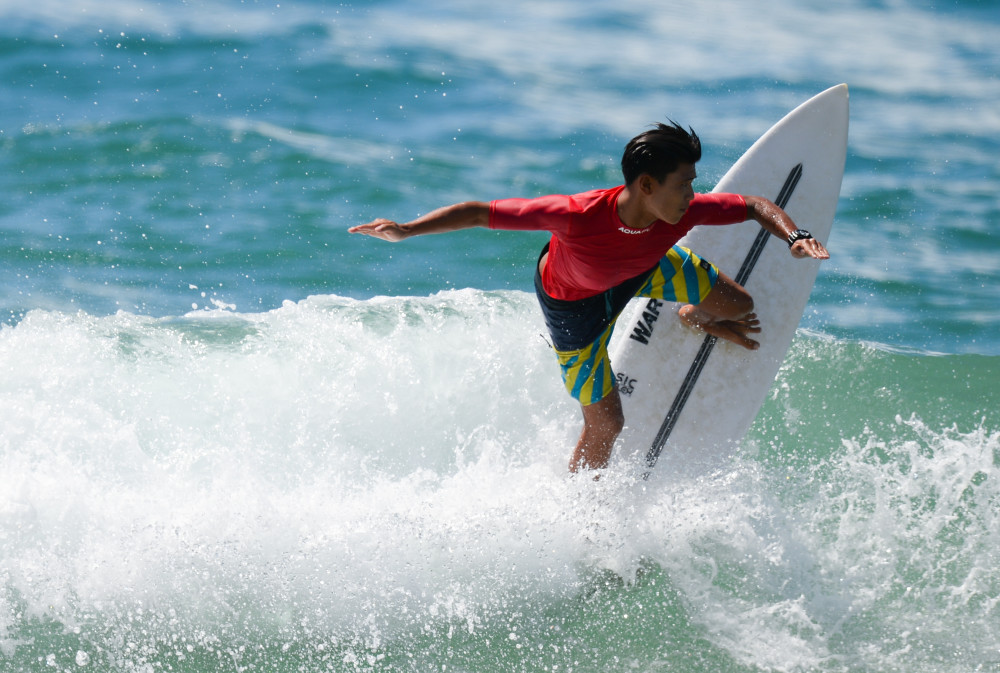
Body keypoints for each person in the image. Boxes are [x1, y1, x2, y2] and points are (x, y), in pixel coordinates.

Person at [349, 122, 829, 473]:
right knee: (607, 424)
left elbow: (753, 205)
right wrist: (407, 230)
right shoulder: (578, 215)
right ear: (646, 186)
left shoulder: (680, 214)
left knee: (739, 306)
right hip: (575, 309)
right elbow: (478, 212)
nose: (692, 194)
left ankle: (689, 314)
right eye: (684, 184)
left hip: (644, 270)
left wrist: (795, 236)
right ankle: (580, 515)